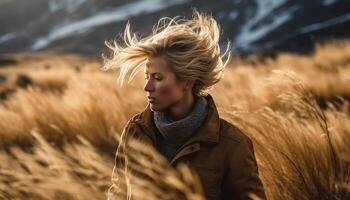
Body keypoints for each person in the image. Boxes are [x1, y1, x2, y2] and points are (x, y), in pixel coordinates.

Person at [104, 10, 266, 200]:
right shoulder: (135, 131)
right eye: (147, 77)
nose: (147, 87)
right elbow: (118, 193)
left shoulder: (233, 144)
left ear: (187, 82)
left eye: (158, 78)